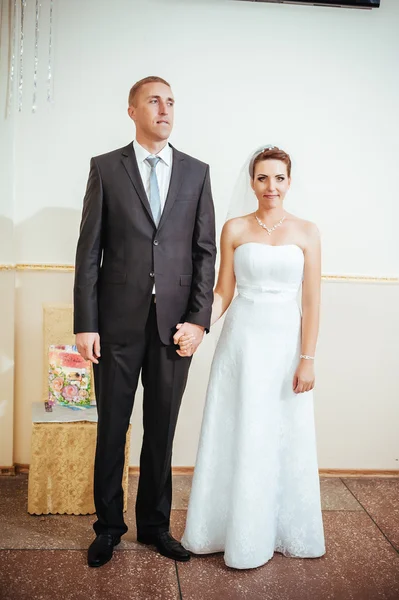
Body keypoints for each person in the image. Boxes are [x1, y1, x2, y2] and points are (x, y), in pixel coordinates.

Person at [73, 76, 216, 568]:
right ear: (132, 109)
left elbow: (204, 253)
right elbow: (89, 251)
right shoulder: (105, 168)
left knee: (162, 428)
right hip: (114, 325)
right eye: (154, 100)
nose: (165, 108)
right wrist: (85, 323)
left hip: (174, 327)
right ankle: (109, 527)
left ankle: (155, 526)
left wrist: (198, 320)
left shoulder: (197, 172)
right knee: (112, 427)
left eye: (171, 101)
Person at [180, 145, 326, 570]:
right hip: (241, 341)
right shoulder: (234, 228)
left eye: (279, 178)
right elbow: (223, 290)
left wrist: (308, 358)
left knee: (280, 431)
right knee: (238, 427)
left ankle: (274, 529)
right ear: (251, 182)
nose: (271, 186)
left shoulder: (307, 231)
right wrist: (198, 323)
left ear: (289, 181)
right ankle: (225, 529)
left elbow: (313, 302)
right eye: (262, 178)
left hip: (284, 345)